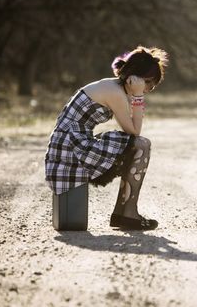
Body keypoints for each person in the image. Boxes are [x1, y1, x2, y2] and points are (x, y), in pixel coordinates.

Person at [45, 46, 168, 230]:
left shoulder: (114, 87)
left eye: (152, 85)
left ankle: (122, 214)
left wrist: (136, 94)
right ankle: (129, 213)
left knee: (134, 146)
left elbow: (130, 131)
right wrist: (138, 95)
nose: (150, 88)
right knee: (141, 145)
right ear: (135, 77)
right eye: (149, 82)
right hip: (71, 146)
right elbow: (135, 131)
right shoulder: (115, 93)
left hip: (73, 141)